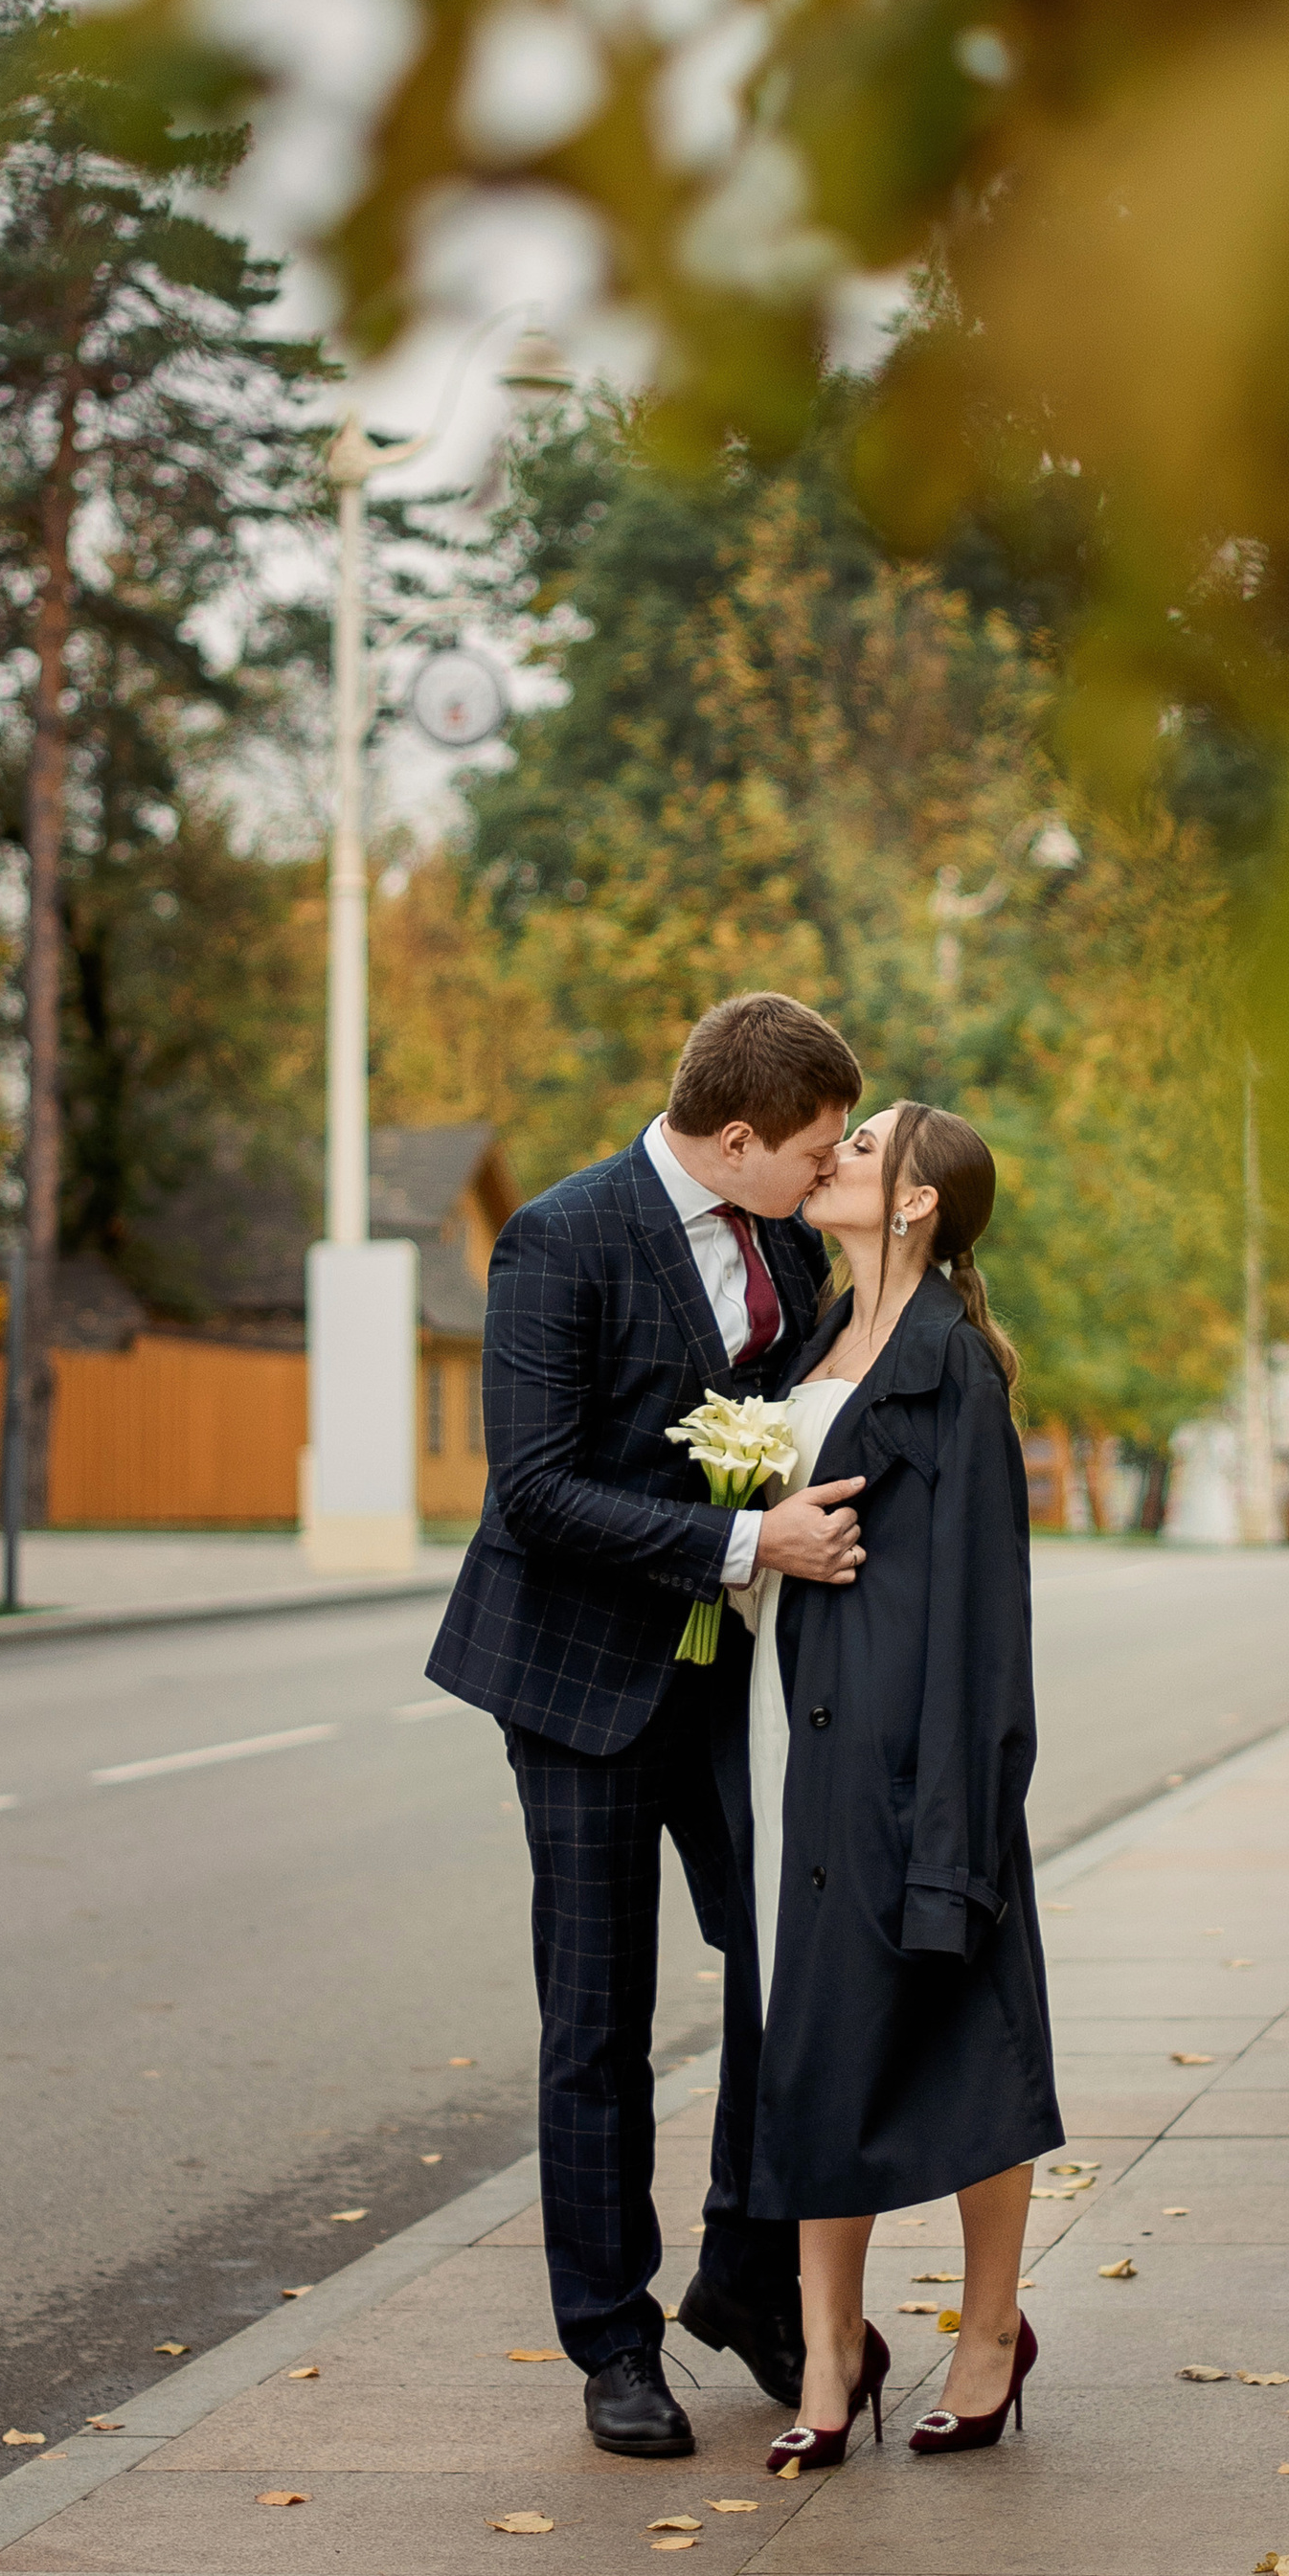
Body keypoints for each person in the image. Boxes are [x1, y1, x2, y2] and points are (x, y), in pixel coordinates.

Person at [427, 991, 874, 2461]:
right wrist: (747, 1548)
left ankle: (744, 2281)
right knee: (600, 2019)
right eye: (810, 1152)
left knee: (786, 1976)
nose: (822, 1176)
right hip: (573, 1685)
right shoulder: (560, 1239)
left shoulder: (791, 1239)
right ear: (733, 1138)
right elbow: (536, 1493)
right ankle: (612, 2340)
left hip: (724, 1685)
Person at [736, 1101, 1064, 2471]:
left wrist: (962, 1832)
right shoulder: (814, 1336)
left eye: (865, 1149)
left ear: (920, 1203)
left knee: (968, 2047)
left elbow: (988, 1625)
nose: (838, 1160)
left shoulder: (957, 1371)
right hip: (822, 1746)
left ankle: (991, 2332)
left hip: (928, 1767)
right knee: (820, 2055)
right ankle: (828, 2361)